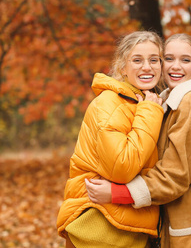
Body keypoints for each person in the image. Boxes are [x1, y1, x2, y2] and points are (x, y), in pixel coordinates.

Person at [85, 33, 191, 247]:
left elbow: (174, 175)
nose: (176, 66)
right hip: (183, 221)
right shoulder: (170, 102)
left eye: (186, 60)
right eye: (169, 59)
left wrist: (117, 193)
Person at [56, 31, 165, 248]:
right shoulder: (111, 103)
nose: (147, 67)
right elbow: (121, 167)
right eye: (137, 60)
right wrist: (150, 113)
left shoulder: (143, 102)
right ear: (122, 67)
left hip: (126, 225)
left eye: (154, 60)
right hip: (100, 229)